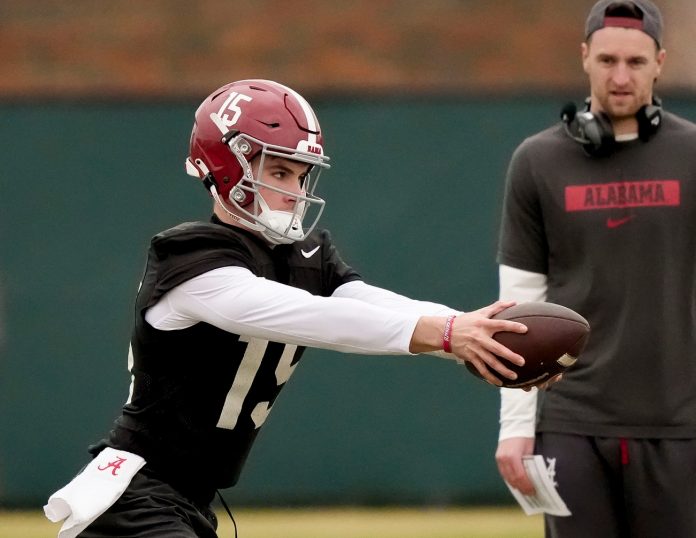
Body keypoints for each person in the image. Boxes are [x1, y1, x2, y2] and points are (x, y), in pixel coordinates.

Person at [44, 78, 536, 538]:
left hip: (185, 501)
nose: (295, 191)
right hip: (135, 497)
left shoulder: (302, 257)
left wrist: (479, 336)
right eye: (279, 171)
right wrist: (448, 334)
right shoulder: (193, 258)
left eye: (302, 176)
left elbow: (370, 303)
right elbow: (315, 317)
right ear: (226, 165)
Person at [494, 1, 696, 537]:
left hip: (681, 425)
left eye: (636, 62)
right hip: (571, 424)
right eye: (607, 60)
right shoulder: (536, 162)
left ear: (660, 62)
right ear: (584, 58)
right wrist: (514, 429)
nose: (621, 76)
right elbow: (516, 312)